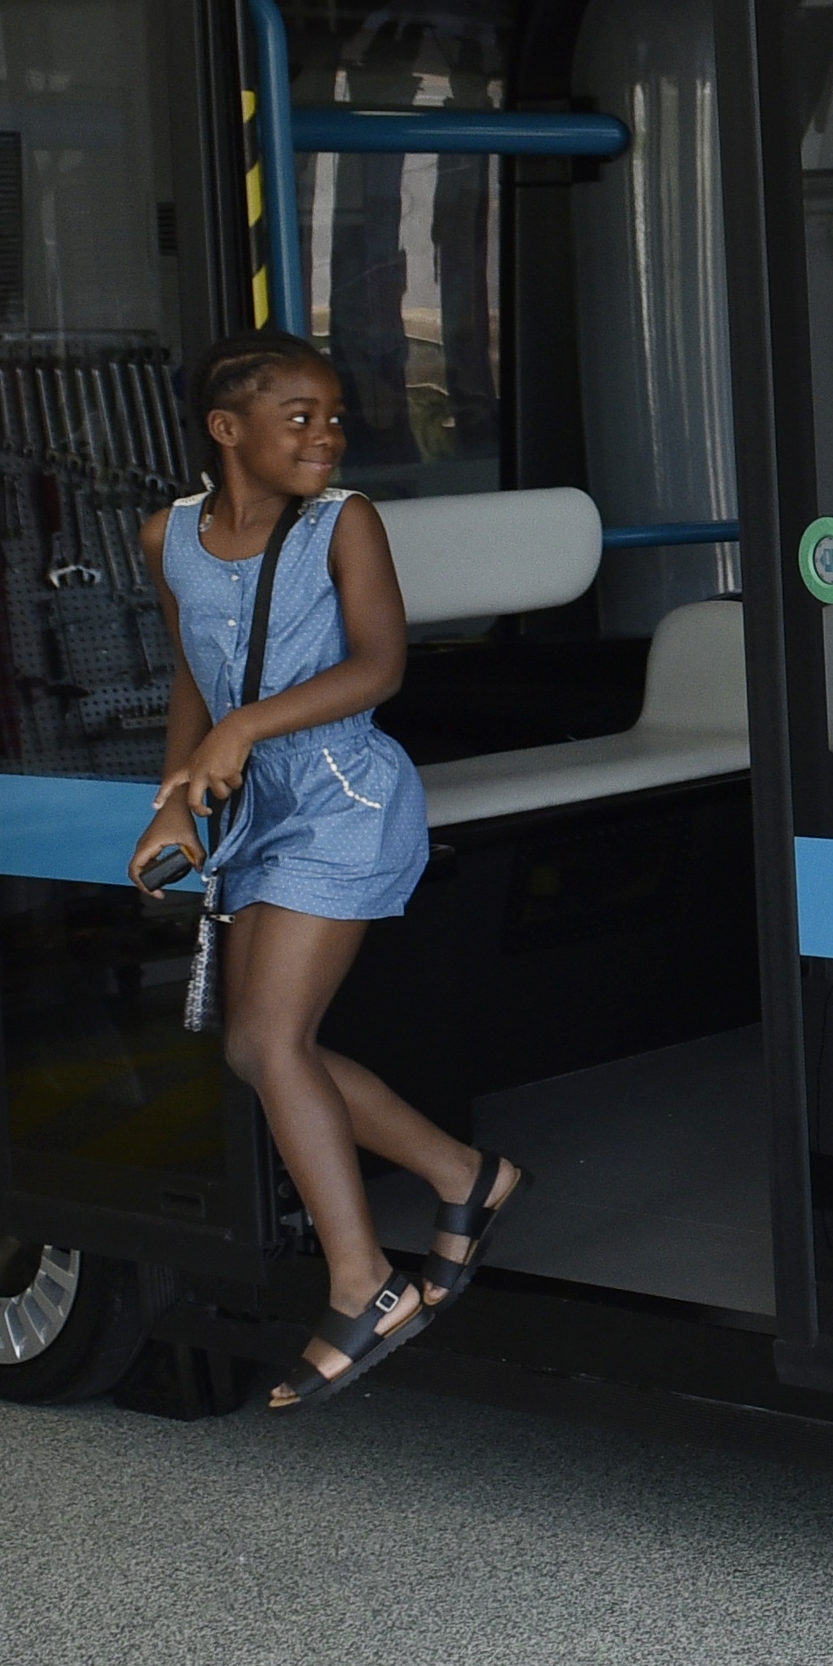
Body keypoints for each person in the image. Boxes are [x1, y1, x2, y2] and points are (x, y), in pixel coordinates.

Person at [135, 331, 519, 1409]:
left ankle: (364, 1283)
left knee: (267, 1039)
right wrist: (176, 800)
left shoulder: (345, 523)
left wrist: (244, 730)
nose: (327, 434)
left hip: (343, 793)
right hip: (253, 806)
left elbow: (378, 666)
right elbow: (192, 678)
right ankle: (463, 1176)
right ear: (227, 430)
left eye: (335, 416)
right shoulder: (166, 535)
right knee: (262, 1055)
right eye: (298, 416)